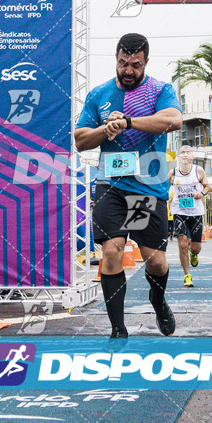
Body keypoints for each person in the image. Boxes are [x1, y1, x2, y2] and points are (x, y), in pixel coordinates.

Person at [75, 33, 183, 339]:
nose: (128, 70)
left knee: (155, 260)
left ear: (145, 62)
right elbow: (80, 140)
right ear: (116, 59)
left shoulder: (160, 90)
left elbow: (174, 120)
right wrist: (104, 127)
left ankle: (158, 300)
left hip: (147, 190)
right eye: (123, 63)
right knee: (112, 251)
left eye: (135, 64)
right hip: (111, 186)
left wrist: (128, 121)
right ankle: (118, 329)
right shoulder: (99, 94)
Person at [168, 145, 210, 287]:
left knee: (195, 248)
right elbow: (164, 189)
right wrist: (167, 205)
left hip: (196, 212)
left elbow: (207, 186)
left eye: (188, 152)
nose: (185, 154)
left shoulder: (198, 170)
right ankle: (187, 275)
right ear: (178, 157)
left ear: (192, 156)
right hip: (179, 211)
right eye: (182, 152)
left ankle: (194, 254)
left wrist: (201, 194)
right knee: (182, 244)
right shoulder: (172, 173)